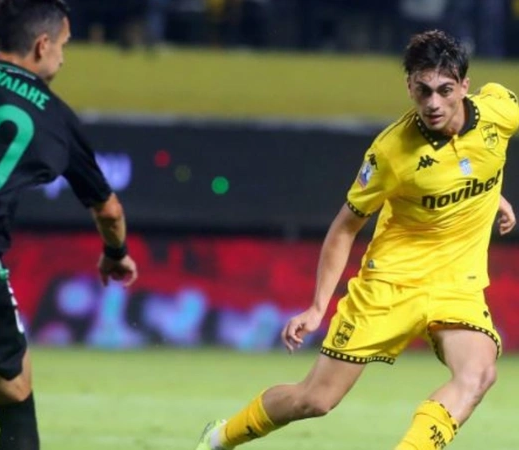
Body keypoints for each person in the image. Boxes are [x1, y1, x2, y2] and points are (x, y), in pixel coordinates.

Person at [195, 29, 518, 450]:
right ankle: (219, 438)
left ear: (464, 86)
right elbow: (345, 227)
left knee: (478, 374)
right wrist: (317, 307)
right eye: (423, 90)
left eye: (444, 90)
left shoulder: (500, 112)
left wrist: (493, 196)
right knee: (315, 399)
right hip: (390, 285)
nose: (433, 103)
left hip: (457, 286)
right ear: (409, 86)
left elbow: (471, 163)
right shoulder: (390, 153)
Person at [0, 1, 138, 449]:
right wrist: (116, 255)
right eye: (64, 45)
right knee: (16, 408)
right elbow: (109, 211)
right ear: (42, 45)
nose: (63, 57)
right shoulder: (56, 118)